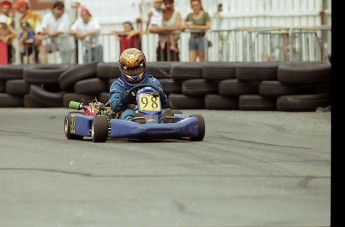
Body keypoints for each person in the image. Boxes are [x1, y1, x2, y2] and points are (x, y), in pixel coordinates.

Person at [109, 48, 174, 123]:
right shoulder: (119, 85)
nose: (135, 71)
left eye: (137, 68)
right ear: (123, 69)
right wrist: (124, 98)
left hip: (153, 113)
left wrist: (162, 96)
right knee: (127, 113)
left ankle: (166, 123)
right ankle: (135, 123)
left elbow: (164, 104)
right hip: (131, 112)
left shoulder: (153, 82)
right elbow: (114, 106)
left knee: (163, 113)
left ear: (143, 65)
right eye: (131, 69)